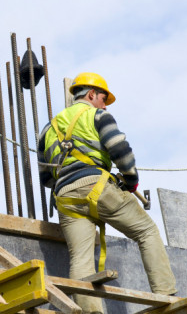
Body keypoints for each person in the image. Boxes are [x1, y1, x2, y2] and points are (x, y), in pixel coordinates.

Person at [37, 72, 177, 312]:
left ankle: (90, 311)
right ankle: (167, 295)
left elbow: (46, 178)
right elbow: (119, 149)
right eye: (103, 98)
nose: (104, 104)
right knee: (147, 231)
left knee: (80, 259)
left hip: (65, 197)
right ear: (91, 94)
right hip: (97, 186)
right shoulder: (98, 115)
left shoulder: (47, 129)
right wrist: (131, 180)